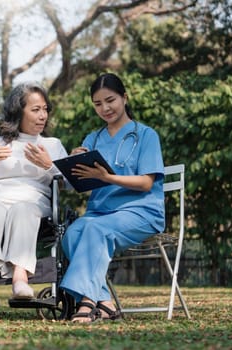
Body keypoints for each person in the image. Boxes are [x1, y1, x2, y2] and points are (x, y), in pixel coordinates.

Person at [60, 73, 165, 322]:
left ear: (124, 98)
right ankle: (105, 302)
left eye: (110, 100)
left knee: (95, 230)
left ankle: (86, 303)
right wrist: (75, 163)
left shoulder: (146, 135)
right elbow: (82, 184)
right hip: (101, 213)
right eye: (98, 104)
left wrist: (108, 177)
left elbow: (146, 182)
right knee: (72, 234)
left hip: (141, 212)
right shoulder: (93, 139)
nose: (105, 108)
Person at [0, 82, 68, 299]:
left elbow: (68, 183)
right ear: (18, 112)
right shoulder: (0, 142)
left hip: (35, 202)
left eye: (45, 109)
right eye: (35, 109)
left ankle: (20, 278)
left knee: (23, 210)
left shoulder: (52, 144)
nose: (42, 116)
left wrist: (49, 165)